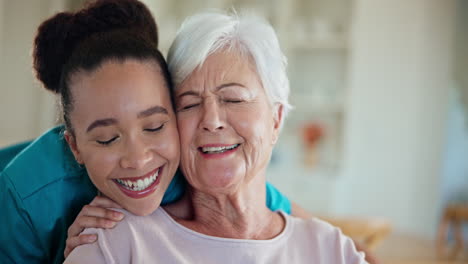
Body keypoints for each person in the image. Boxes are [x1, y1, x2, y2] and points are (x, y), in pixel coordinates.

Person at [64, 10, 368, 263]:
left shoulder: (330, 250)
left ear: (276, 120)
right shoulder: (114, 240)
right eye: (189, 104)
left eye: (233, 99)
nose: (211, 121)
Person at [0, 1, 291, 263]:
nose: (138, 160)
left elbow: (280, 213)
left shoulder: (187, 167)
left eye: (154, 127)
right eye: (107, 138)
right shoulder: (22, 196)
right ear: (74, 146)